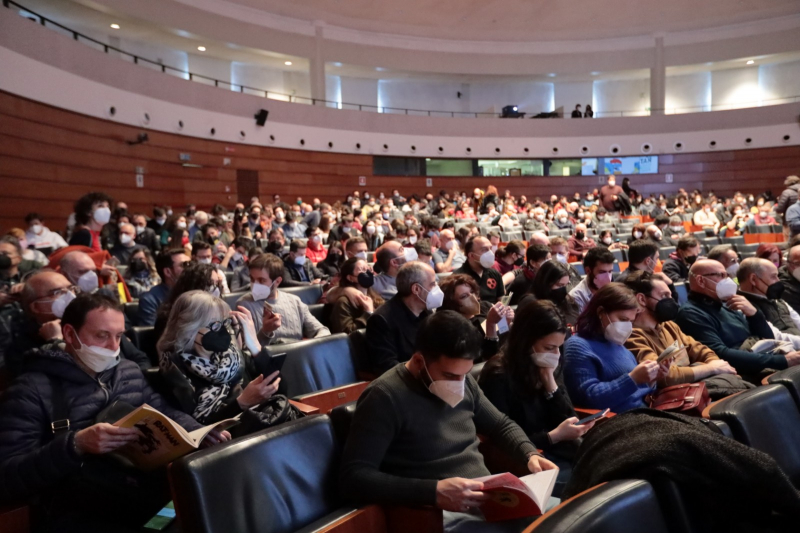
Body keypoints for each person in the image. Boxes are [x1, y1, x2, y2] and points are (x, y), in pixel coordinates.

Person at [0, 292, 229, 531]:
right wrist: (76, 444)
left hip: (136, 490)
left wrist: (197, 432)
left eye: (119, 336)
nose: (113, 347)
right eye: (102, 336)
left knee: (206, 507)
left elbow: (161, 409)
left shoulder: (127, 371)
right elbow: (7, 477)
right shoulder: (31, 389)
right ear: (69, 334)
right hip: (82, 508)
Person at [340, 310, 556, 531]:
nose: (460, 384)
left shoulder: (464, 381)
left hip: (488, 501)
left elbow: (500, 425)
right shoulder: (384, 397)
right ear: (419, 361)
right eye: (450, 376)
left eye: (465, 373)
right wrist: (433, 491)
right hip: (435, 514)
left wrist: (528, 453)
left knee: (561, 519)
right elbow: (354, 477)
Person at [480, 300, 595, 496]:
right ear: (527, 341)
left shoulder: (547, 364)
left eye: (559, 347)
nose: (556, 354)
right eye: (549, 347)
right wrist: (554, 436)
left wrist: (550, 382)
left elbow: (569, 417)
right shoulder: (498, 375)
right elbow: (502, 437)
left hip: (560, 451)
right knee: (587, 482)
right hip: (527, 459)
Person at [158, 291, 282, 425]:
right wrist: (242, 403)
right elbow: (193, 427)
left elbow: (281, 388)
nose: (223, 331)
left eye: (225, 323)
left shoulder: (231, 355)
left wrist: (256, 347)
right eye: (215, 325)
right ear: (190, 328)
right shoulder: (174, 370)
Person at [5, 270, 150, 375]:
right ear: (36, 307)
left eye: (71, 288)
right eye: (57, 292)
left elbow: (140, 359)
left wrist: (134, 383)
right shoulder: (21, 344)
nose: (70, 295)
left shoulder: (95, 321)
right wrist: (54, 343)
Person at [674, 259, 799, 380]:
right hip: (743, 373)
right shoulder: (690, 313)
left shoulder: (727, 305)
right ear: (701, 280)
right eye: (721, 275)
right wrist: (782, 361)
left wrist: (754, 314)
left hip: (760, 362)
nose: (727, 280)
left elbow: (766, 337)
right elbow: (719, 354)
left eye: (727, 275)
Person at [622, 271, 740, 392]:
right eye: (664, 296)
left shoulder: (669, 326)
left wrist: (717, 367)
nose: (671, 300)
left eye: (670, 295)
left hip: (697, 386)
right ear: (642, 299)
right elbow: (665, 376)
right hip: (676, 395)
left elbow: (702, 351)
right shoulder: (631, 336)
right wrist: (711, 368)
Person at [564, 283, 663, 413]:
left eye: (630, 321)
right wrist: (632, 379)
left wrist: (652, 379)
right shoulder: (577, 346)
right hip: (618, 419)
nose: (627, 326)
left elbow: (638, 391)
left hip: (644, 411)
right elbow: (588, 398)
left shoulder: (617, 344)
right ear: (601, 312)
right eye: (622, 319)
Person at [235, 253, 330, 345]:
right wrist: (265, 331)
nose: (255, 284)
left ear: (277, 281)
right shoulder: (244, 305)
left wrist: (311, 346)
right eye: (252, 279)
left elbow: (322, 330)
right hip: (266, 355)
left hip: (297, 353)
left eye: (261, 280)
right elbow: (245, 349)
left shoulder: (295, 302)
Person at [365, 262, 441, 375]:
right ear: (416, 289)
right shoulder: (382, 320)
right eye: (432, 284)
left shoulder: (427, 312)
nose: (437, 288)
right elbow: (387, 366)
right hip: (408, 381)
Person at [440, 274, 513, 362]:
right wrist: (491, 324)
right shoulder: (457, 327)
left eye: (472, 292)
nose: (472, 297)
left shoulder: (485, 306)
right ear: (451, 303)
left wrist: (507, 321)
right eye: (464, 296)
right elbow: (486, 357)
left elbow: (502, 331)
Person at [738, 257, 800, 337]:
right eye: (773, 277)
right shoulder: (745, 308)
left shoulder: (777, 299)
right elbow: (777, 337)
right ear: (753, 279)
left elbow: (798, 321)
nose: (778, 280)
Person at [329, 257, 384, 334]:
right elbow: (346, 334)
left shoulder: (374, 295)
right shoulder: (343, 302)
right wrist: (368, 313)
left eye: (368, 268)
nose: (368, 272)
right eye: (362, 269)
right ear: (350, 278)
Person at [137, 248, 189, 326]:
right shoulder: (150, 300)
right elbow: (152, 331)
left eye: (191, 264)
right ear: (168, 272)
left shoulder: (196, 292)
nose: (190, 268)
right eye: (184, 265)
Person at [454, 235, 505, 307]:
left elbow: (502, 301)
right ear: (471, 255)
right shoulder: (458, 278)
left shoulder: (495, 274)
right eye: (484, 250)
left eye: (490, 248)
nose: (490, 253)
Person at [568, 247, 615, 313]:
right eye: (602, 272)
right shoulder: (576, 297)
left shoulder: (614, 290)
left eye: (610, 271)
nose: (608, 278)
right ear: (588, 270)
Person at [777, 175, 800, 240]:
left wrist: (774, 208)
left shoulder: (787, 192)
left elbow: (780, 208)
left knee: (788, 239)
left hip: (788, 221)